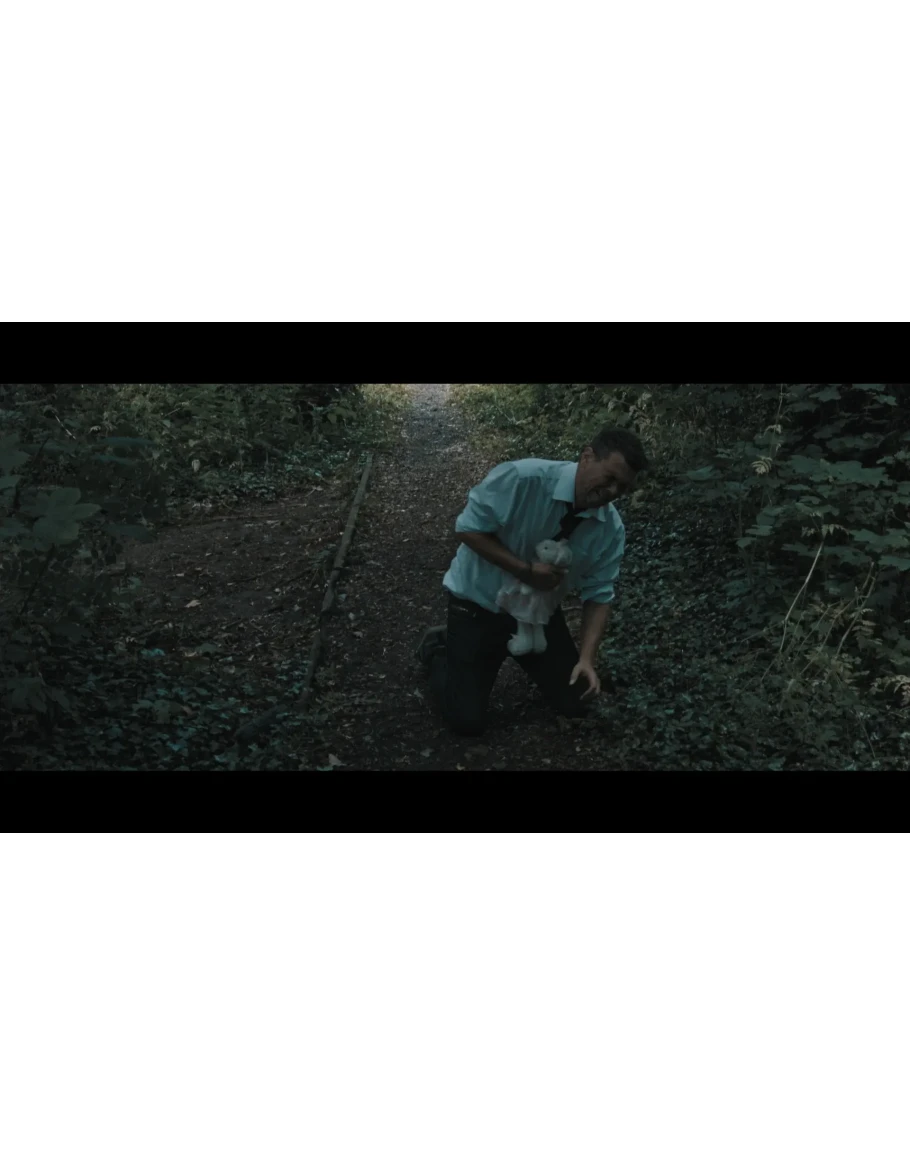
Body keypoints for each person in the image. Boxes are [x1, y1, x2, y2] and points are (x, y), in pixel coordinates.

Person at [416, 427, 650, 737]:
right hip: (478, 604)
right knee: (466, 720)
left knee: (577, 701)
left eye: (622, 488)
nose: (611, 492)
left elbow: (599, 595)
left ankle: (503, 651)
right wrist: (525, 571)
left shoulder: (610, 530)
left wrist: (587, 659)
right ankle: (439, 648)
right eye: (609, 478)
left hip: (536, 614)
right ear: (587, 456)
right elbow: (467, 529)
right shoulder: (523, 479)